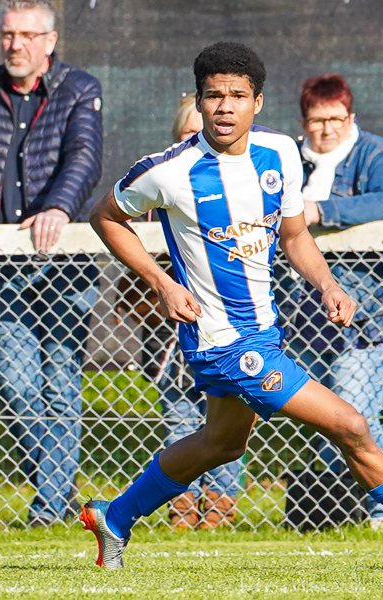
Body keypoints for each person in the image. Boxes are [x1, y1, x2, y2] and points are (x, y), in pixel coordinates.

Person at [80, 42, 383, 570]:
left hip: (262, 332)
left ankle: (115, 518)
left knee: (221, 443)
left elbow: (295, 235)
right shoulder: (170, 170)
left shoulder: (279, 155)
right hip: (223, 343)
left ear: (258, 102)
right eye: (213, 96)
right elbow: (106, 216)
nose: (224, 107)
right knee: (351, 424)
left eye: (237, 96)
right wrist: (160, 282)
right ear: (201, 102)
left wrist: (328, 284)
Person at [0, 0, 103, 527]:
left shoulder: (80, 89)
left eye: (25, 35)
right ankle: (61, 491)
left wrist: (59, 207)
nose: (14, 44)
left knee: (61, 382)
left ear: (50, 41)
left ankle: (50, 507)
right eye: (7, 34)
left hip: (64, 265)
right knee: (16, 384)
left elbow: (85, 156)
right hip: (3, 263)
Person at [281, 73, 383, 530]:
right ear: (304, 122)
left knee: (355, 412)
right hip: (307, 318)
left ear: (351, 117)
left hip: (376, 315)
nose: (328, 129)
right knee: (331, 418)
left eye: (337, 118)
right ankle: (344, 510)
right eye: (318, 120)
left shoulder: (376, 154)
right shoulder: (287, 162)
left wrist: (322, 211)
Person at [116, 94, 242, 530]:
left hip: (226, 327)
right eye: (187, 131)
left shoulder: (238, 186)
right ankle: (182, 503)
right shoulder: (158, 186)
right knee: (179, 417)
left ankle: (221, 503)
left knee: (225, 419)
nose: (195, 136)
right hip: (169, 332)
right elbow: (131, 262)